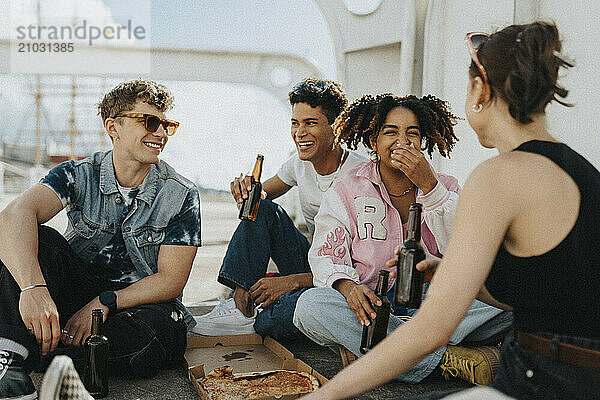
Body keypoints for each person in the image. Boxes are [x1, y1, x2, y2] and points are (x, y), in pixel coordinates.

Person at [300, 21, 600, 400]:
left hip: (538, 378)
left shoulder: (496, 176)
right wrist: (449, 271)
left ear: (480, 89)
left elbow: (432, 329)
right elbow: (554, 294)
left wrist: (322, 396)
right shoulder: (584, 171)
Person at [0, 79, 202, 399]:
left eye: (167, 125)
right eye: (150, 122)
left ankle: (50, 358)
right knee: (40, 239)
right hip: (74, 293)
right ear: (114, 127)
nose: (161, 133)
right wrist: (33, 289)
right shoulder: (77, 173)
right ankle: (9, 363)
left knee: (163, 331)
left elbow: (171, 281)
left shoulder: (181, 194)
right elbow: (13, 217)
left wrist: (104, 302)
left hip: (133, 306)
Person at [293, 93, 512, 385]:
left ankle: (383, 346)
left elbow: (466, 249)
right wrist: (348, 288)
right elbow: (325, 253)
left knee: (509, 300)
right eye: (390, 132)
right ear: (374, 141)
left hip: (435, 306)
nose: (402, 141)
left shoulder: (445, 186)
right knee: (309, 307)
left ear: (423, 142)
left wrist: (429, 187)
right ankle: (444, 361)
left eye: (412, 133)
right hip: (372, 305)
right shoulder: (347, 188)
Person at [192, 78, 367, 340]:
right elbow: (260, 197)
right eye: (295, 123)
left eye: (310, 123)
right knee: (262, 209)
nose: (299, 132)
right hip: (311, 260)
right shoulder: (299, 164)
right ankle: (240, 307)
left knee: (273, 321)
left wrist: (292, 281)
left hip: (344, 279)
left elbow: (362, 269)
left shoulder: (360, 176)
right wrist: (244, 190)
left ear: (337, 127)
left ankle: (263, 311)